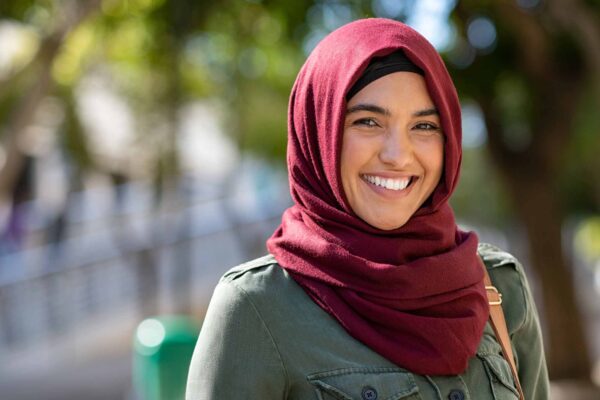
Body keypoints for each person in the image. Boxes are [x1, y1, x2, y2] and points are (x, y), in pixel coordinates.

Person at [186, 18, 549, 400]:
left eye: (424, 126)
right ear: (319, 135)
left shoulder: (499, 285)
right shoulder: (258, 308)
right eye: (368, 121)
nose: (397, 155)